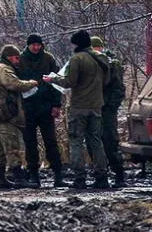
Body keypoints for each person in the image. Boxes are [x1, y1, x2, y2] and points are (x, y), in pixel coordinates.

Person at [43, 30, 110, 189]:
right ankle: (102, 177)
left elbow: (69, 82)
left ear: (77, 43)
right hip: (96, 105)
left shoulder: (77, 59)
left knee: (76, 142)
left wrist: (52, 79)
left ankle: (80, 178)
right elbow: (106, 81)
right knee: (96, 141)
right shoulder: (102, 58)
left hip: (78, 106)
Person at [0, 45, 39, 189]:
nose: (18, 61)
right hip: (6, 114)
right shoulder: (3, 69)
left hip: (0, 113)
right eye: (16, 58)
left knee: (1, 147)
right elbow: (13, 84)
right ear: (9, 57)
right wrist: (31, 83)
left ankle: (1, 178)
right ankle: (18, 176)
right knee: (11, 145)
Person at [18, 34, 66, 188]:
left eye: (38, 44)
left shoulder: (48, 59)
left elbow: (57, 82)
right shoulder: (21, 60)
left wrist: (56, 105)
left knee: (51, 141)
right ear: (28, 45)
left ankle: (58, 174)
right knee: (30, 142)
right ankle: (33, 175)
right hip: (28, 108)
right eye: (33, 45)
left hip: (46, 107)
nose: (36, 47)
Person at [91, 36, 127, 188]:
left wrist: (110, 106)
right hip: (95, 108)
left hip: (106, 109)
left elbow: (119, 89)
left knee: (110, 141)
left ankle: (119, 174)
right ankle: (101, 175)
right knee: (94, 142)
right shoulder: (91, 64)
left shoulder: (112, 64)